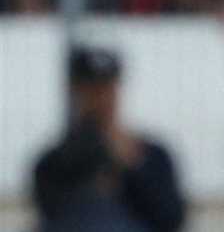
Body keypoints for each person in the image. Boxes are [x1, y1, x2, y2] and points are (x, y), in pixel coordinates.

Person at [32, 46, 186, 232]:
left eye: (108, 89)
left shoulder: (153, 155)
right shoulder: (54, 162)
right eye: (93, 91)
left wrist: (133, 167)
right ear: (77, 93)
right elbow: (54, 211)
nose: (102, 99)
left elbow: (171, 218)